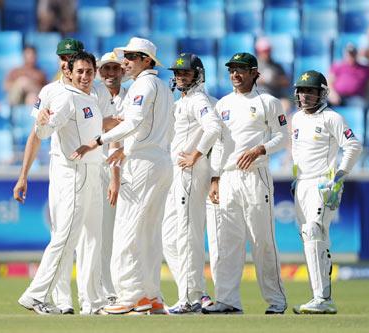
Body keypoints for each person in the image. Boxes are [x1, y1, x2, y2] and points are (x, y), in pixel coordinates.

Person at [71, 37, 174, 315]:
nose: (125, 61)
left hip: (143, 163)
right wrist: (128, 149)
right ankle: (151, 295)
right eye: (125, 55)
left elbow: (134, 122)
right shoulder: (162, 87)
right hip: (159, 160)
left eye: (131, 56)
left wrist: (98, 141)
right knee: (149, 233)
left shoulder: (143, 85)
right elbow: (156, 128)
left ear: (147, 60)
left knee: (127, 232)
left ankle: (129, 296)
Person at [18, 51, 106, 315]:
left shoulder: (91, 97)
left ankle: (92, 303)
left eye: (89, 71)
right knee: (66, 237)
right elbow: (44, 132)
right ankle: (36, 295)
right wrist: (43, 123)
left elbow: (100, 127)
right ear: (69, 72)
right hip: (75, 173)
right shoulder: (66, 98)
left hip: (94, 172)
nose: (84, 76)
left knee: (93, 239)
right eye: (79, 71)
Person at [203, 52, 289, 315]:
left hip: (256, 176)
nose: (235, 74)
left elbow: (282, 138)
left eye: (241, 69)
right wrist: (215, 178)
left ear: (255, 73)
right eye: (232, 70)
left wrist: (259, 149)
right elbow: (218, 146)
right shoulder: (223, 104)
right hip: (228, 178)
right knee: (227, 243)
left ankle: (276, 301)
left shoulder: (268, 102)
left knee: (262, 240)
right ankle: (228, 301)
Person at [14, 38, 84, 315]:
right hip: (62, 167)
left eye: (73, 57)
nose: (68, 62)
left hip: (91, 167)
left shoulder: (92, 88)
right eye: (64, 57)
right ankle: (59, 299)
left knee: (82, 237)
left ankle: (80, 298)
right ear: (58, 60)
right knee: (62, 234)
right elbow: (36, 134)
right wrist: (23, 176)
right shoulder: (50, 90)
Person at [290, 70, 363, 314]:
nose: (305, 96)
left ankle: (322, 298)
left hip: (324, 183)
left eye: (310, 91)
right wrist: (295, 177)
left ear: (322, 93)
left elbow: (353, 145)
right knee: (312, 238)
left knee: (314, 231)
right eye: (301, 91)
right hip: (301, 184)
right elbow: (298, 152)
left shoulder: (332, 118)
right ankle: (319, 296)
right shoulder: (297, 119)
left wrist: (340, 174)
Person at [162, 53, 221, 314]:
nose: (180, 77)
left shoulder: (198, 100)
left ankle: (188, 299)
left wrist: (196, 154)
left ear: (198, 75)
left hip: (191, 171)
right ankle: (198, 292)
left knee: (187, 235)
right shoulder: (182, 101)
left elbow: (214, 127)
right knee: (169, 239)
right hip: (178, 172)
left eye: (186, 73)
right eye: (178, 73)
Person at [95, 51, 128, 304]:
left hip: (132, 172)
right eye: (105, 69)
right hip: (103, 170)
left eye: (114, 69)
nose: (110, 74)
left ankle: (125, 287)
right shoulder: (93, 97)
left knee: (127, 234)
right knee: (105, 234)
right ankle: (107, 290)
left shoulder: (133, 96)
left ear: (122, 71)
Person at [328, 44, 369, 108]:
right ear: (345, 55)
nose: (351, 57)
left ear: (356, 54)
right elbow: (329, 82)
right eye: (349, 54)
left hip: (355, 98)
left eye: (353, 54)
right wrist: (333, 94)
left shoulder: (365, 68)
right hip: (338, 96)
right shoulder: (338, 66)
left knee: (361, 105)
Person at [254, 37, 291, 114]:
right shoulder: (254, 65)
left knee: (285, 104)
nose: (266, 53)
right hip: (259, 96)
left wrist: (275, 80)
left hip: (275, 96)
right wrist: (261, 79)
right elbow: (247, 82)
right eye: (264, 51)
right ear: (258, 51)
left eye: (268, 51)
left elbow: (286, 82)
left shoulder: (277, 66)